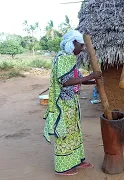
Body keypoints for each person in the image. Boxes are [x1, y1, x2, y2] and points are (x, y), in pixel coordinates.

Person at [43, 30, 102, 176]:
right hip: (63, 103)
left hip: (72, 102)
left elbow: (78, 78)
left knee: (74, 132)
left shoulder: (70, 58)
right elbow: (65, 81)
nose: (82, 49)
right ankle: (62, 167)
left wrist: (95, 80)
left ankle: (77, 161)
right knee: (64, 134)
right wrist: (90, 76)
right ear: (73, 43)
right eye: (81, 46)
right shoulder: (63, 58)